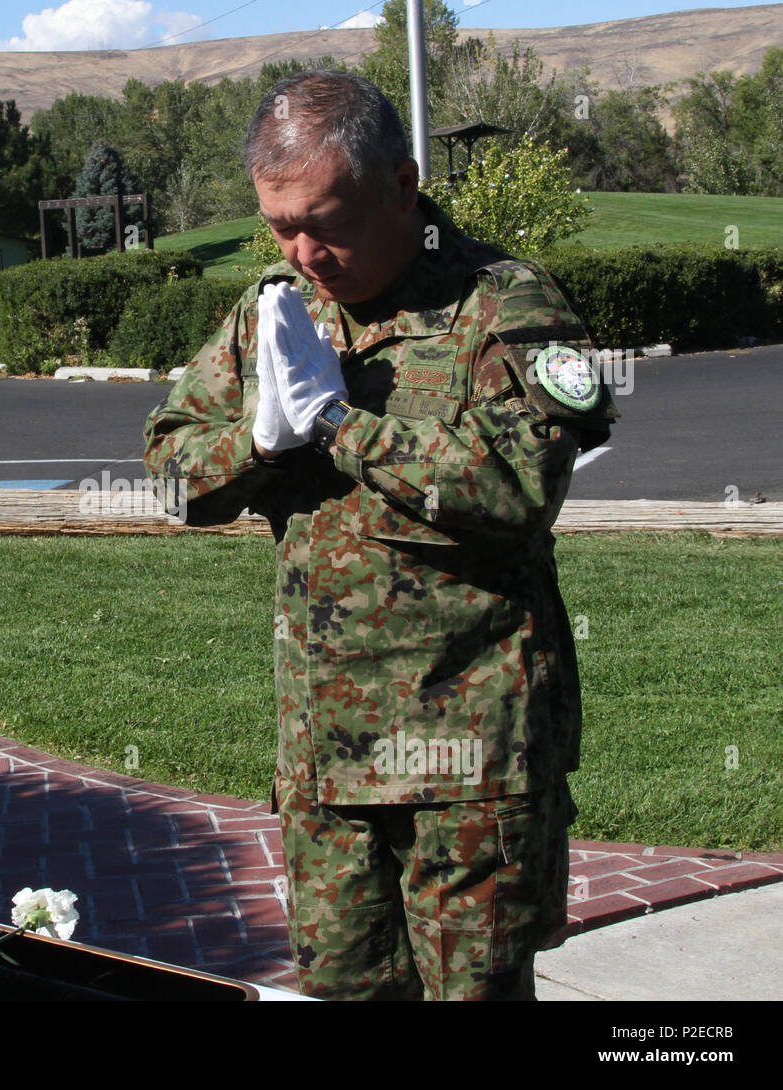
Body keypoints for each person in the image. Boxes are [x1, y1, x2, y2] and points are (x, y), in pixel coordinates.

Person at [143, 70, 618, 1000]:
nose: (306, 250)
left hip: (468, 758)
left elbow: (515, 487)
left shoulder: (503, 307)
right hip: (328, 758)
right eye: (280, 227)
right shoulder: (275, 311)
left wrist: (337, 426)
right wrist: (257, 440)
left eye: (329, 220)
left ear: (402, 185)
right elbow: (169, 476)